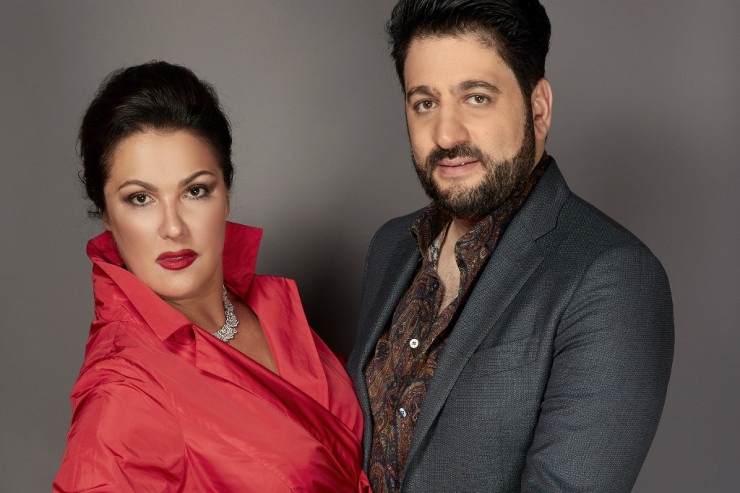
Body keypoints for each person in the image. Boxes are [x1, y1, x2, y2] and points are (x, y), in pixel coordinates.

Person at [346, 1, 674, 492]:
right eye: (425, 103)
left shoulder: (614, 277)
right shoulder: (391, 247)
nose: (446, 134)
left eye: (476, 97)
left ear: (538, 108)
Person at [54, 61, 370, 492]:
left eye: (195, 191)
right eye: (140, 198)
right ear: (106, 214)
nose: (173, 227)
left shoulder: (266, 306)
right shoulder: (124, 389)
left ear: (226, 193)